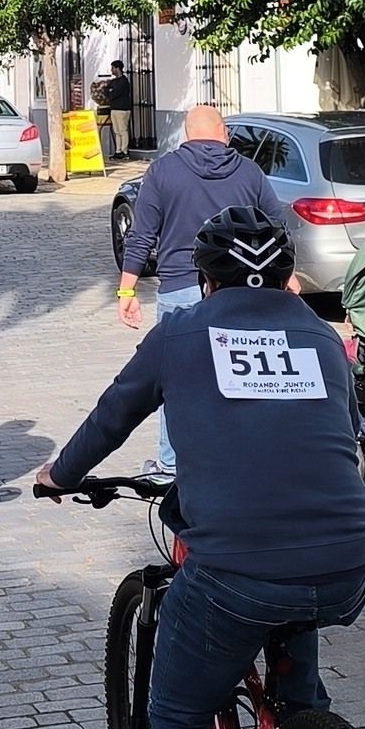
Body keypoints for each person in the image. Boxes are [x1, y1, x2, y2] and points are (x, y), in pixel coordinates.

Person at [36, 207, 365, 729]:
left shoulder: (181, 334)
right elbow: (337, 429)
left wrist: (59, 476)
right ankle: (303, 727)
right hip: (347, 558)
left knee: (179, 713)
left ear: (205, 280)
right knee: (290, 575)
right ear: (287, 278)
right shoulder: (321, 336)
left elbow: (111, 416)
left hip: (236, 570)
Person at [116, 105, 285, 475]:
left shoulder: (163, 171)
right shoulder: (249, 171)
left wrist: (127, 292)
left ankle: (170, 463)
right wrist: (286, 277)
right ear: (224, 133)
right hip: (241, 293)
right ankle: (241, 457)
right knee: (242, 377)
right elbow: (276, 227)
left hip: (179, 290)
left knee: (174, 380)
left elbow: (141, 235)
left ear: (185, 136)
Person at [101, 60, 133, 160]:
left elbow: (113, 94)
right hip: (114, 109)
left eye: (113, 68)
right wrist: (109, 91)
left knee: (123, 130)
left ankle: (124, 151)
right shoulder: (114, 81)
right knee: (117, 131)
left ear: (117, 68)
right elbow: (106, 90)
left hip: (122, 109)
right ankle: (118, 150)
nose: (111, 70)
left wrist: (110, 91)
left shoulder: (123, 81)